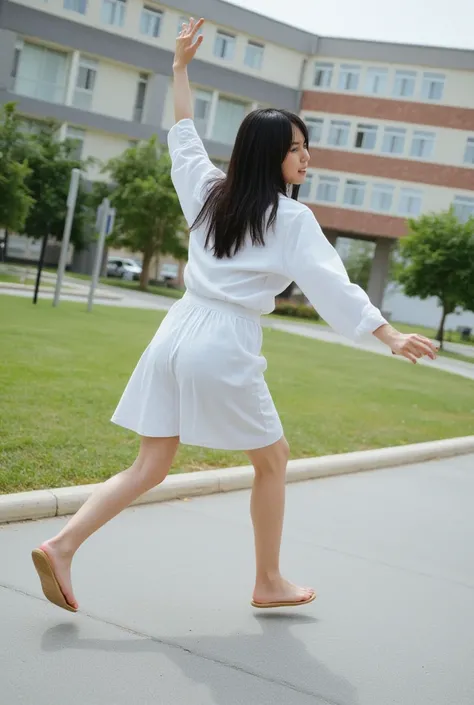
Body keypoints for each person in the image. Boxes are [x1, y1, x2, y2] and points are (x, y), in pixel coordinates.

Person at [32, 18, 438, 613]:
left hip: (174, 331)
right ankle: (268, 581)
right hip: (221, 340)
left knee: (151, 463)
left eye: (306, 148)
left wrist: (178, 69)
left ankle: (62, 545)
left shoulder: (207, 190)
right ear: (271, 156)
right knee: (272, 460)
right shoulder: (291, 220)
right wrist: (389, 333)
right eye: (296, 149)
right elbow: (334, 284)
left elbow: (184, 134)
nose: (306, 158)